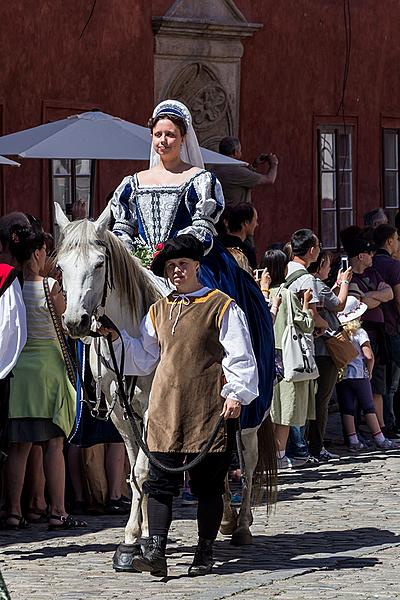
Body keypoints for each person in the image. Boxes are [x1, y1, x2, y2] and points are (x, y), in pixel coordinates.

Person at [110, 99, 275, 433]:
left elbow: (203, 225)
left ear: (184, 138)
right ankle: (102, 394)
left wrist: (170, 255)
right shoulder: (132, 183)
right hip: (142, 266)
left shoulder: (200, 180)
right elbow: (121, 227)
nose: (163, 141)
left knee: (220, 307)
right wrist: (135, 255)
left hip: (192, 261)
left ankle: (226, 383)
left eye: (170, 134)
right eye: (158, 134)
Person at [99, 234, 259, 577]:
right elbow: (144, 358)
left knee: (206, 486)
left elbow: (240, 355)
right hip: (165, 408)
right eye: (170, 266)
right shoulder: (159, 311)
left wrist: (236, 393)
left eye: (182, 264)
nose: (176, 271)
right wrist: (117, 339)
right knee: (158, 483)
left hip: (207, 408)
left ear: (197, 267)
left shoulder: (222, 306)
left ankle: (204, 550)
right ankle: (156, 551)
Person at [5, 223, 85, 530]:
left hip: (18, 370)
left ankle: (13, 511)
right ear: (39, 252)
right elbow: (67, 326)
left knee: (18, 447)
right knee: (54, 444)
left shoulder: (10, 285)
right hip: (50, 370)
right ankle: (58, 511)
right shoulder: (51, 287)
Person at [260, 250, 315, 469]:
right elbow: (306, 324)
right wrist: (306, 304)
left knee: (271, 410)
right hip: (287, 357)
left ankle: (269, 456)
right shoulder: (287, 294)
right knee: (285, 410)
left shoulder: (260, 293)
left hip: (266, 355)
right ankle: (279, 456)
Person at [307, 250, 353, 461]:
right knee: (322, 400)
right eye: (327, 264)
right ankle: (317, 446)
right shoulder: (315, 283)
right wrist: (344, 283)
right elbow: (340, 304)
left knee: (316, 399)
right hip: (324, 351)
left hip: (317, 349)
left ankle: (312, 444)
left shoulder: (316, 285)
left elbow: (329, 302)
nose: (329, 268)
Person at [336, 297, 397, 451]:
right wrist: (369, 372)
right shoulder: (360, 332)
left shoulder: (340, 332)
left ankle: (353, 440)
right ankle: (380, 438)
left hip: (343, 375)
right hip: (359, 374)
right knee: (368, 407)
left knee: (347, 408)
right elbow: (368, 356)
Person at [345, 237, 393, 428]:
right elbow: (358, 304)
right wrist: (373, 298)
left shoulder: (373, 272)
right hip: (362, 332)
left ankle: (378, 426)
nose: (373, 256)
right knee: (359, 381)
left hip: (379, 333)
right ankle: (370, 429)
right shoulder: (351, 278)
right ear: (361, 256)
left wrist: (370, 297)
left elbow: (388, 294)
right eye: (370, 253)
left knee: (378, 381)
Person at [372, 224, 400, 435]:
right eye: (397, 238)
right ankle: (391, 421)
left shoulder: (372, 263)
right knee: (393, 380)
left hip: (376, 326)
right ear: (390, 240)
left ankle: (385, 421)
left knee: (382, 378)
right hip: (393, 326)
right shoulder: (393, 265)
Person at [212, 136, 278, 209]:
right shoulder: (236, 171)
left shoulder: (216, 168)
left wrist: (254, 165)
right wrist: (274, 163)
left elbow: (241, 177)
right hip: (237, 215)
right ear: (235, 152)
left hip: (223, 214)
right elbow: (269, 179)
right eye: (240, 150)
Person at [218, 203, 258, 272]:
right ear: (246, 223)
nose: (257, 224)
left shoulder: (217, 244)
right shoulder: (247, 251)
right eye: (255, 220)